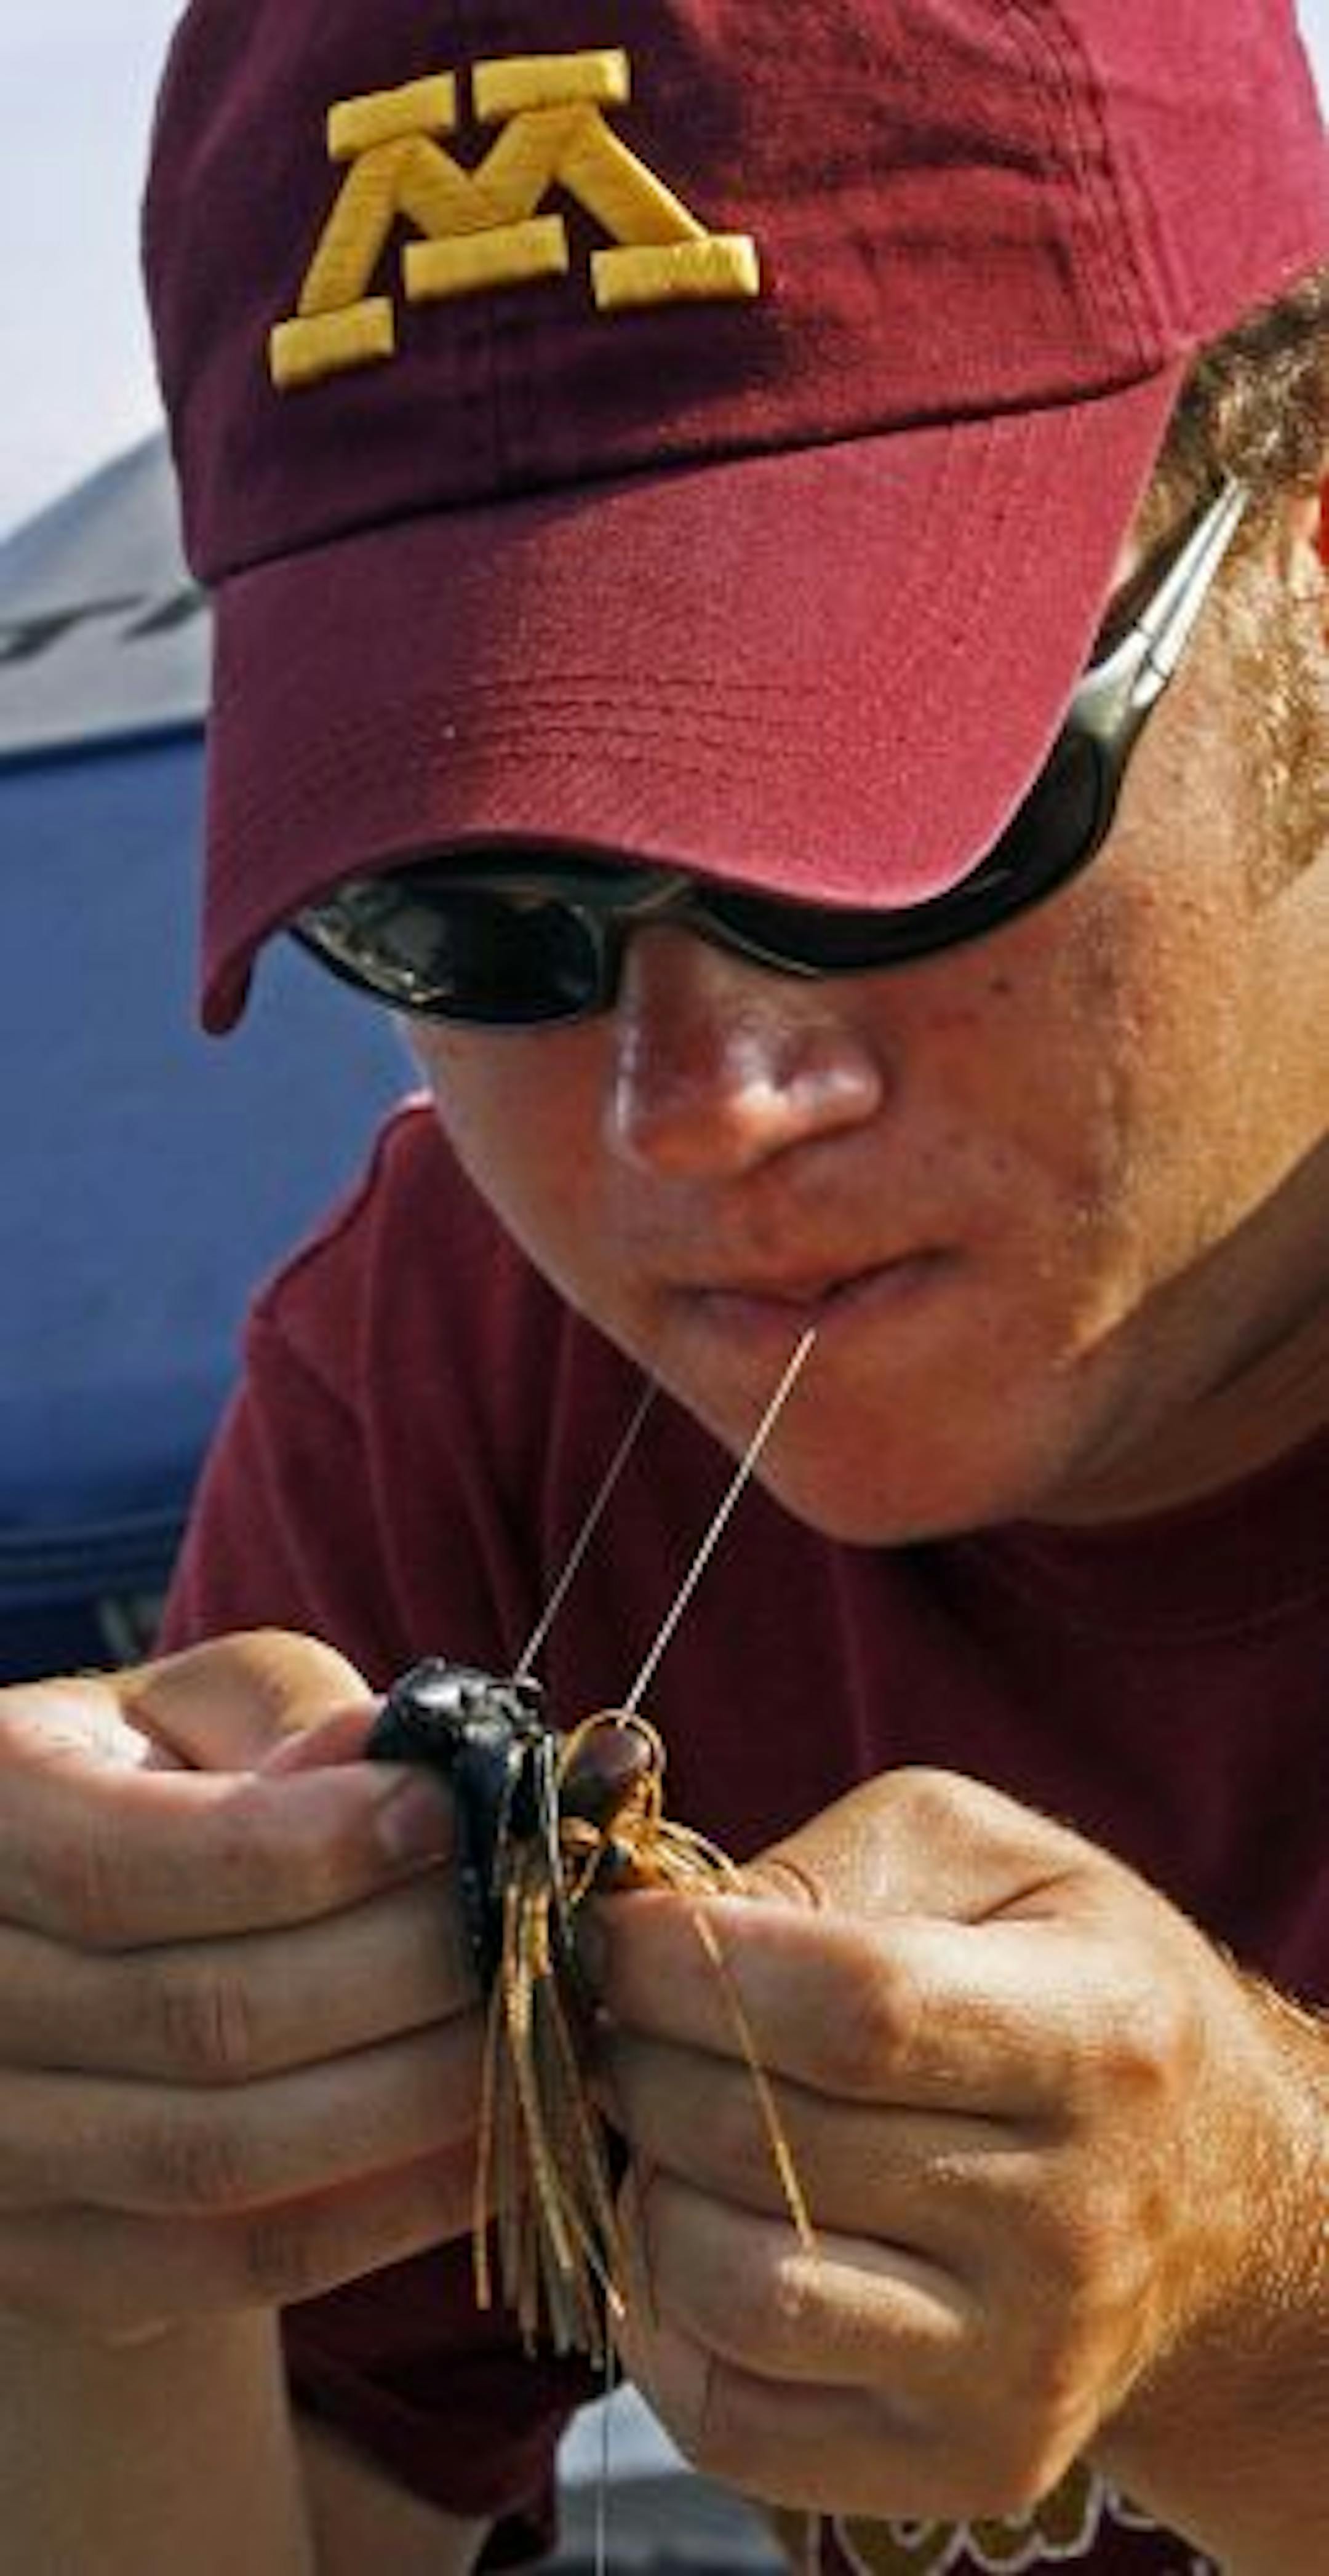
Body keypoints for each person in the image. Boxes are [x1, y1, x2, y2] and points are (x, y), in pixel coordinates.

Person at [1, 1, 1325, 2569]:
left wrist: (1279, 2325)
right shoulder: (453, 1361)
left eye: (894, 834)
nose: (692, 1109)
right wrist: (85, 2234)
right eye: (475, 912)